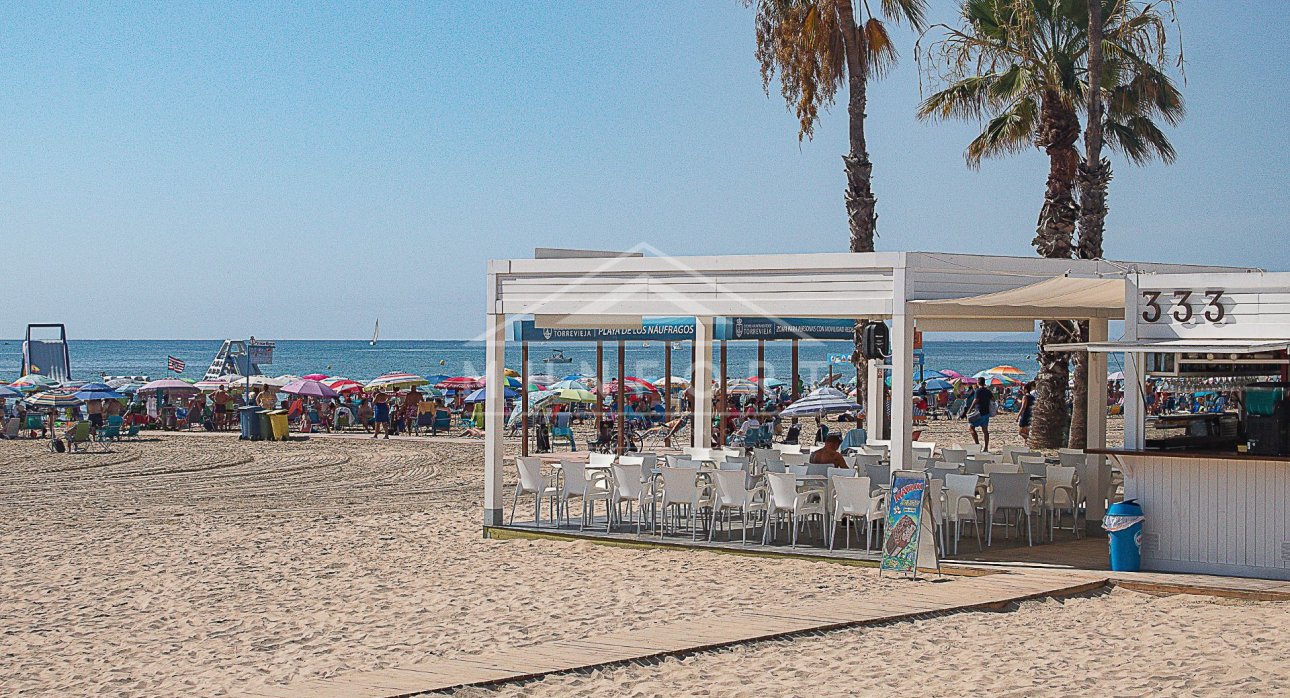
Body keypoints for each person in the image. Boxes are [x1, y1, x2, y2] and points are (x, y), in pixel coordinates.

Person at [968, 376, 994, 451]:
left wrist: (970, 409)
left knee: (971, 427)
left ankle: (977, 445)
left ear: (978, 383)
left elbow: (975, 400)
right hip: (986, 412)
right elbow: (993, 399)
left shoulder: (978, 391)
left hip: (979, 412)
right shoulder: (988, 391)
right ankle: (986, 448)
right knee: (985, 430)